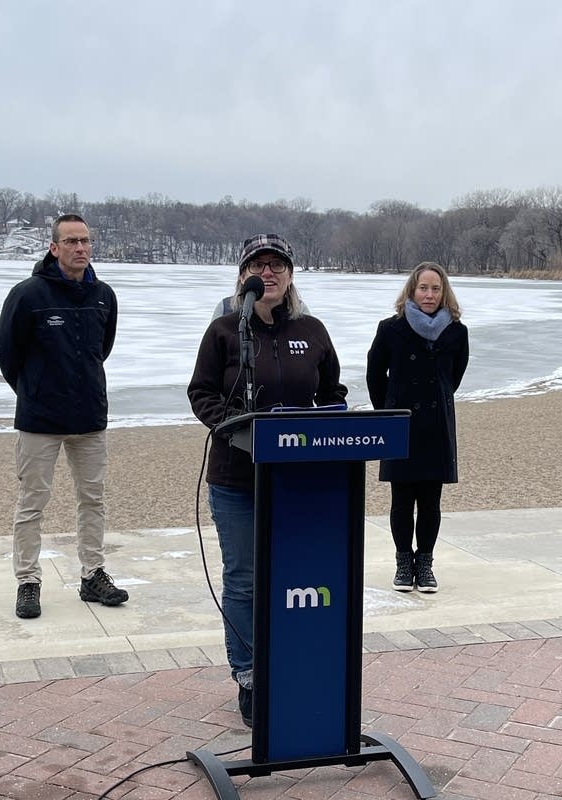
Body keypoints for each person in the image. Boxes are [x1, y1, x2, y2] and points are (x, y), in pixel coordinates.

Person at [188, 233, 347, 727]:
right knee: (244, 578)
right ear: (244, 276)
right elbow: (201, 393)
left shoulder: (312, 330)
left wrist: (335, 424)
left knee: (296, 575)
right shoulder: (224, 332)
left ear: (291, 274)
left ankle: (295, 665)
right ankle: (249, 674)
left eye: (278, 265)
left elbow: (332, 391)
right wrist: (237, 428)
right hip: (236, 478)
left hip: (299, 480)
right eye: (259, 265)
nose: (269, 272)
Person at [0, 213, 128, 619]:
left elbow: (101, 350)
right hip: (40, 420)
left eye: (85, 241)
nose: (80, 248)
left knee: (93, 499)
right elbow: (6, 353)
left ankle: (92, 575)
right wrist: (33, 391)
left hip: (89, 417)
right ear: (54, 248)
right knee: (32, 502)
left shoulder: (104, 295)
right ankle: (28, 582)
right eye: (71, 241)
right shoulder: (28, 295)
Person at [366, 262, 469, 594]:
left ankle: (425, 563)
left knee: (430, 500)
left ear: (444, 293)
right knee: (401, 499)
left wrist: (438, 397)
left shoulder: (456, 331)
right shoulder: (390, 329)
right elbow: (374, 373)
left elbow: (453, 377)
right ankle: (402, 561)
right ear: (411, 290)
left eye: (435, 289)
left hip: (436, 424)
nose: (429, 294)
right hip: (401, 423)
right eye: (423, 288)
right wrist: (387, 412)